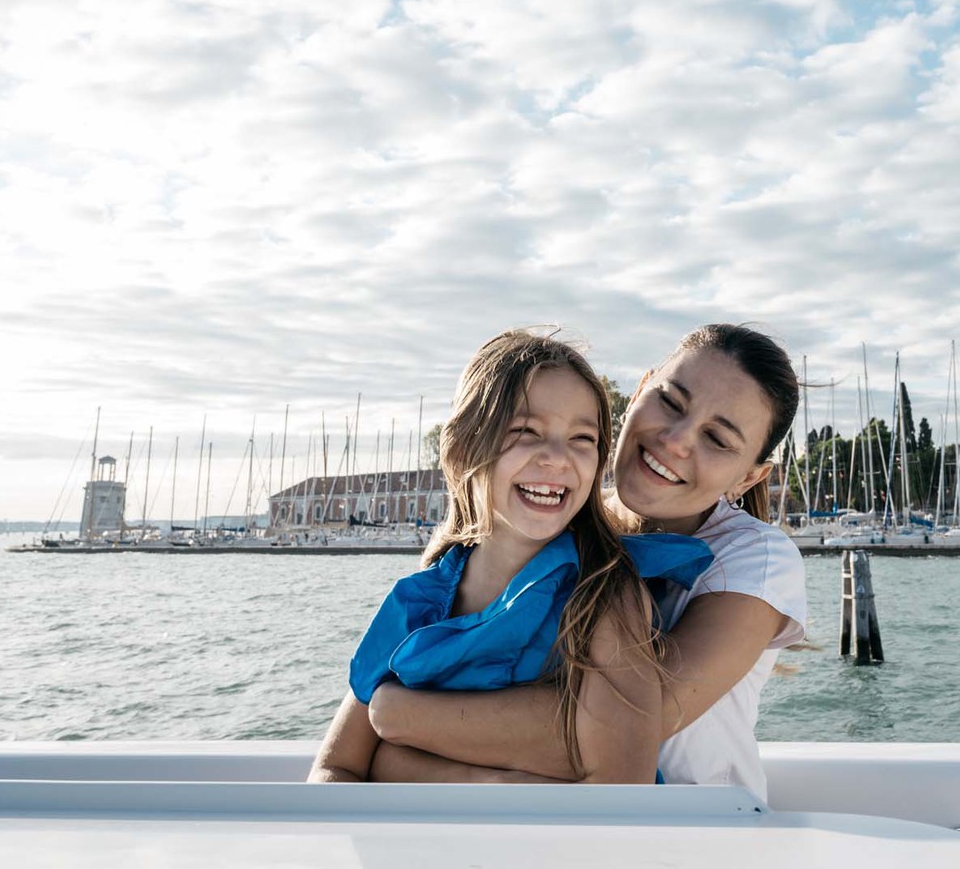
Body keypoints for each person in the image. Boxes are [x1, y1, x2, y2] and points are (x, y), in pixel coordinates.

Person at [366, 324, 808, 800]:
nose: (676, 440)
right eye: (670, 402)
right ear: (639, 391)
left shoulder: (756, 558)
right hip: (545, 821)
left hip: (697, 827)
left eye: (716, 438)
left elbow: (633, 729)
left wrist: (398, 716)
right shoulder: (549, 519)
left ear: (748, 478)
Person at [309, 330, 711, 784]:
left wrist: (410, 765)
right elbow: (335, 766)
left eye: (582, 438)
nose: (557, 458)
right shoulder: (419, 601)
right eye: (525, 431)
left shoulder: (605, 597)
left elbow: (622, 782)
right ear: (463, 449)